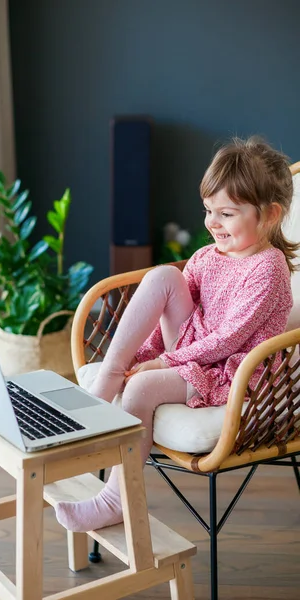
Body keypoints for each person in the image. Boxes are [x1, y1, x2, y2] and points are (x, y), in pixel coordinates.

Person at [55, 136, 298, 533]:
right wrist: (142, 356)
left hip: (230, 372)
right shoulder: (207, 256)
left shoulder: (267, 269)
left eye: (227, 214)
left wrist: (161, 363)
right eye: (208, 211)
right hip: (194, 351)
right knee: (164, 276)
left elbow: (228, 341)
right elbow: (165, 317)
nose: (212, 223)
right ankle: (110, 374)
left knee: (142, 389)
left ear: (270, 215)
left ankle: (117, 500)